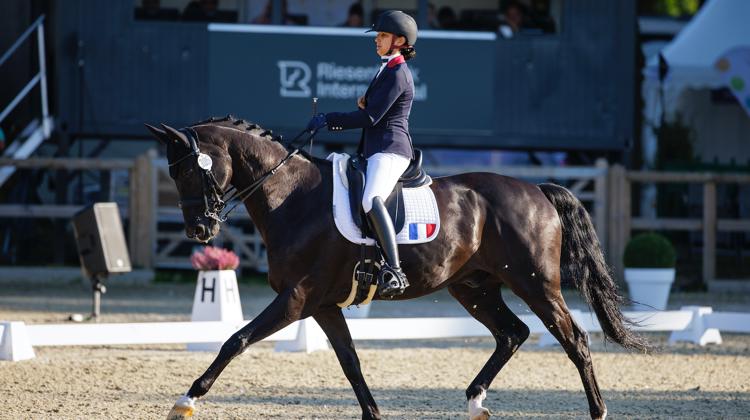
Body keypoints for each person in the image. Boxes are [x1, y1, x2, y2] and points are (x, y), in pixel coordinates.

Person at [307, 10, 418, 298]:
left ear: (400, 40)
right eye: (378, 35)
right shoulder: (386, 69)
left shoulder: (398, 72)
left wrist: (330, 120)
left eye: (382, 35)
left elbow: (371, 119)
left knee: (370, 199)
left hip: (391, 149)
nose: (377, 40)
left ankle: (395, 270)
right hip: (375, 148)